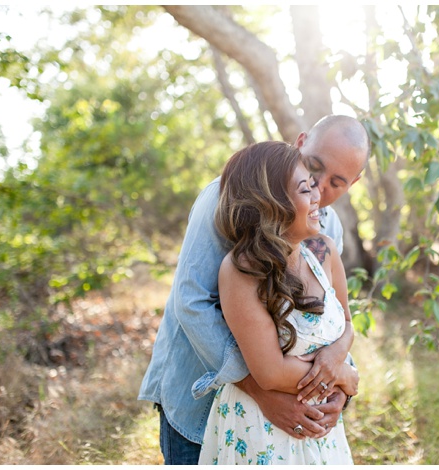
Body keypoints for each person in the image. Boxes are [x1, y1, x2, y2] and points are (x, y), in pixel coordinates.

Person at [138, 115, 370, 465]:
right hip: (199, 399)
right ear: (301, 142)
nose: (320, 188)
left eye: (337, 182)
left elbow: (330, 320)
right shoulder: (224, 198)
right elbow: (192, 302)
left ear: (355, 182)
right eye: (314, 167)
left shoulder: (326, 233)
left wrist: (339, 382)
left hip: (296, 427)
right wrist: (262, 390)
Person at [199, 141, 358, 464]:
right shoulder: (242, 271)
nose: (318, 198)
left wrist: (339, 367)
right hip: (262, 430)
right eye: (305, 190)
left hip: (323, 432)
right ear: (272, 202)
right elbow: (270, 372)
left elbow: (347, 324)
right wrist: (343, 376)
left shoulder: (324, 249)